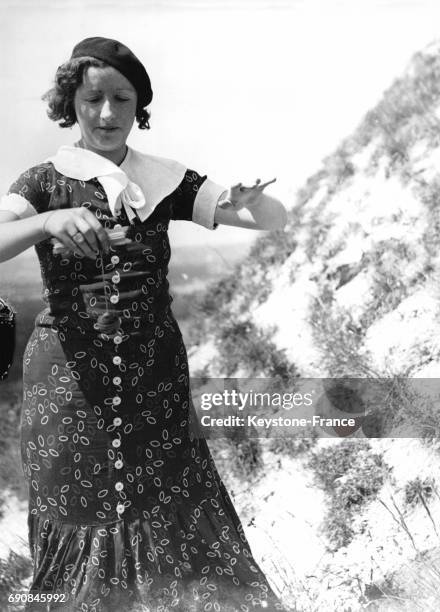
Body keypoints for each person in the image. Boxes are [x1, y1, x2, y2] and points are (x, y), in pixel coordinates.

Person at [0, 37, 288, 612]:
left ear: (139, 106)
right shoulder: (42, 182)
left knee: (167, 499)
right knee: (78, 505)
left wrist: (252, 202)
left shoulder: (167, 179)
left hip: (153, 373)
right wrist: (49, 221)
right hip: (67, 379)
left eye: (122, 99)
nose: (107, 114)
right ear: (71, 104)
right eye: (92, 99)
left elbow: (273, 222)